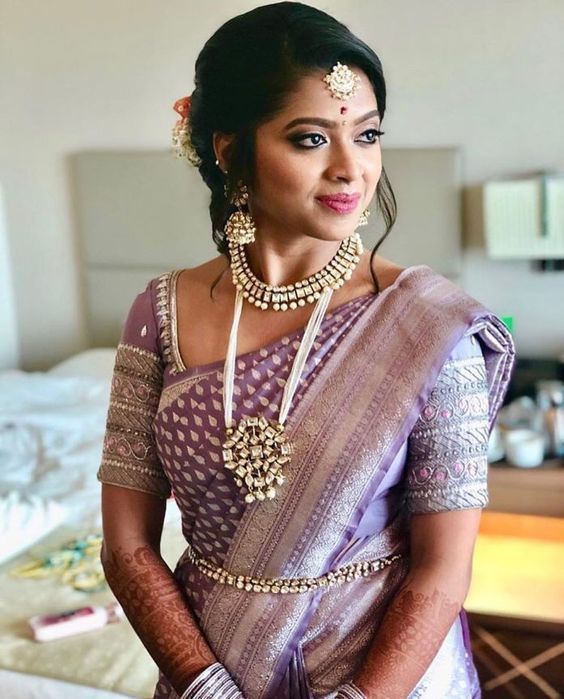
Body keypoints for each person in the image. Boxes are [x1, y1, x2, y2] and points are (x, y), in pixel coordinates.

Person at [97, 3, 515, 698]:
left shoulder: (427, 329)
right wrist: (206, 687)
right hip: (204, 672)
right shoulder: (160, 314)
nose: (352, 169)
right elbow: (127, 545)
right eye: (311, 139)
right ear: (230, 148)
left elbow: (443, 572)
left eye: (369, 133)